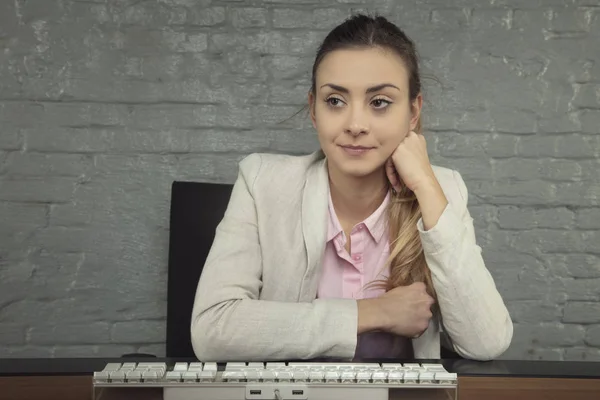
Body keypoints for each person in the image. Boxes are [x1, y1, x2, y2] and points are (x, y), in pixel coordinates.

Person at [190, 13, 513, 362]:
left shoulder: (441, 190)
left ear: (413, 111)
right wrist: (373, 312)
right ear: (314, 110)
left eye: (379, 103)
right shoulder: (262, 182)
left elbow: (486, 342)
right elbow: (213, 330)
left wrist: (425, 185)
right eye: (335, 101)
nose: (355, 124)